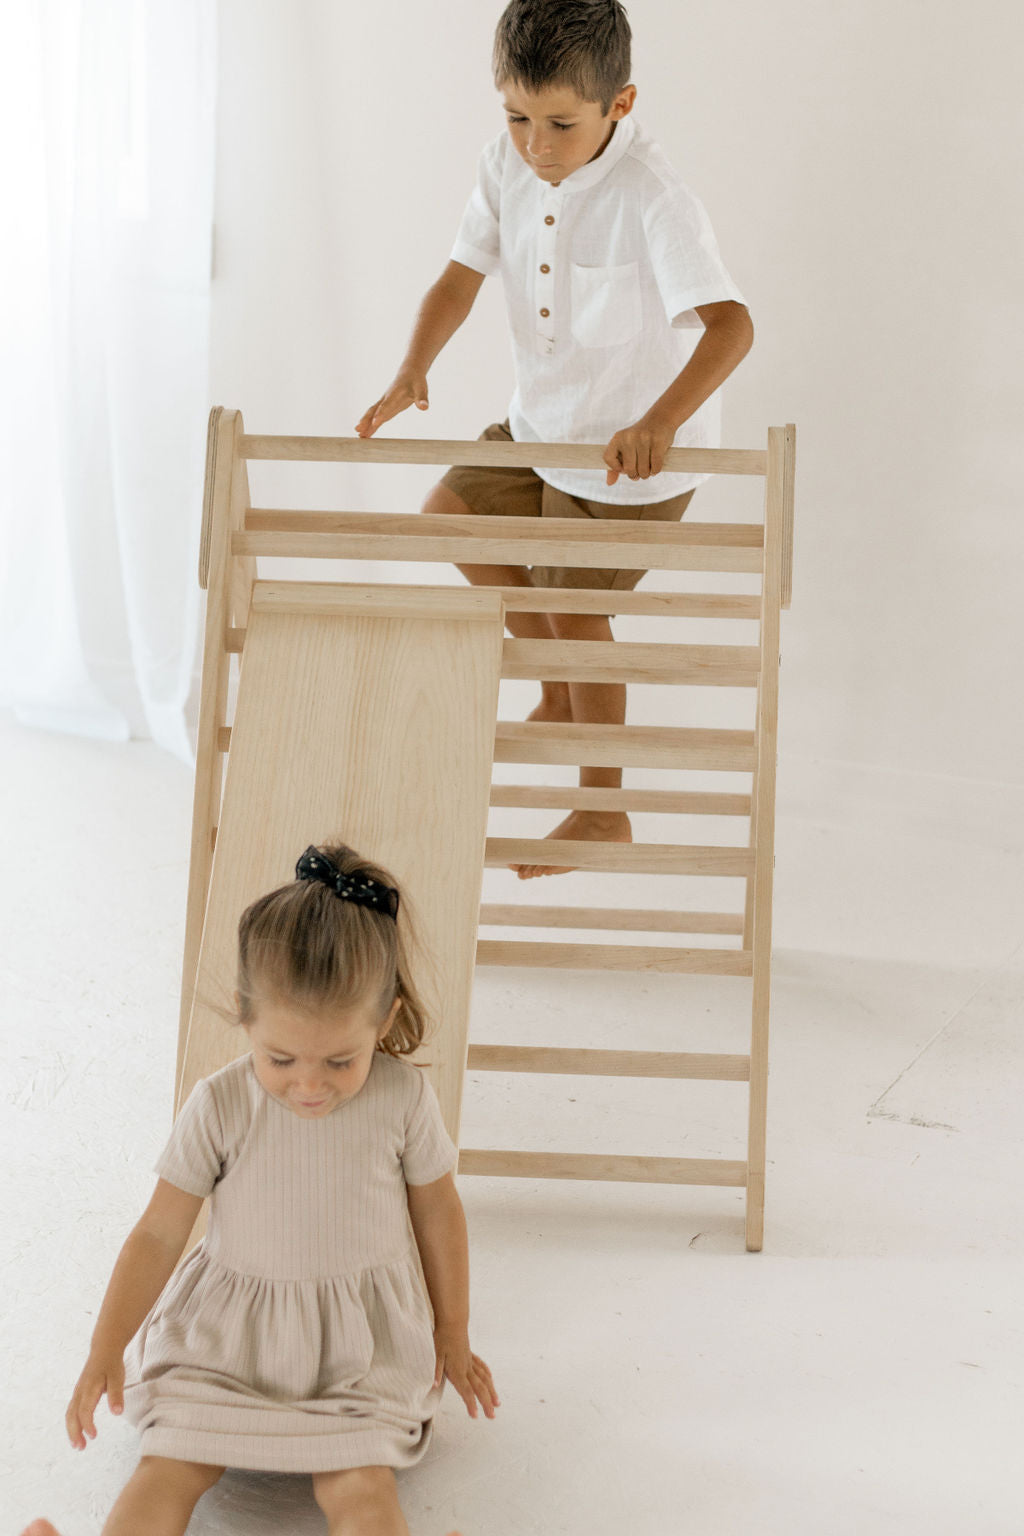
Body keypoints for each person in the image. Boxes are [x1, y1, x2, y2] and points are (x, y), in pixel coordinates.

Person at [356, 0, 753, 881]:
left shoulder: (654, 196)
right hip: (542, 427)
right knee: (447, 516)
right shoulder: (508, 162)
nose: (536, 143)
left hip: (630, 458)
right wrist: (413, 366)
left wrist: (660, 422)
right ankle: (554, 686)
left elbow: (731, 326)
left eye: (560, 123)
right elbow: (460, 276)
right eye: (517, 116)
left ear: (620, 105)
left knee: (579, 611)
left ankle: (602, 810)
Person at [21, 843, 496, 1536]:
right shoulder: (219, 1104)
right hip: (223, 1347)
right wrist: (106, 1346)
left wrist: (453, 1330)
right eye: (280, 1058)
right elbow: (158, 1232)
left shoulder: (403, 1098)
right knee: (167, 1469)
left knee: (360, 1486)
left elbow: (438, 1209)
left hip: (355, 1358)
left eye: (341, 1059)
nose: (309, 1085)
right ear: (245, 1017)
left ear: (385, 1022)